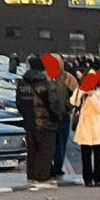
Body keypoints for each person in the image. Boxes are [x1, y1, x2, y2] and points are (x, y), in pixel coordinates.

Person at [15, 56, 61, 185]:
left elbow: (18, 103)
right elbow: (53, 104)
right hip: (46, 123)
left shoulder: (22, 83)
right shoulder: (46, 84)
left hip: (29, 122)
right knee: (45, 151)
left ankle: (31, 175)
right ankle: (42, 176)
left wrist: (26, 115)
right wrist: (57, 117)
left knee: (32, 150)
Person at [71, 80, 100, 186]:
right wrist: (81, 93)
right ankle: (87, 179)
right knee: (85, 154)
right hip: (85, 125)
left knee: (98, 154)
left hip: (97, 125)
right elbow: (73, 103)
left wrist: (92, 96)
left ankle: (98, 179)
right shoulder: (80, 90)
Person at [50, 55, 78, 178]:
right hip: (50, 116)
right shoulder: (46, 76)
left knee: (61, 143)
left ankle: (57, 167)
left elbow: (77, 93)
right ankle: (51, 167)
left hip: (62, 115)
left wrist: (69, 105)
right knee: (51, 144)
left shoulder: (67, 78)